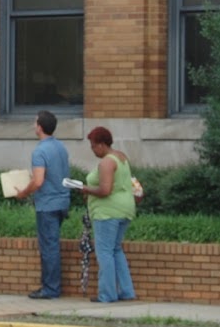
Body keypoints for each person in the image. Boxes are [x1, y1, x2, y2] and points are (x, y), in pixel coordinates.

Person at [76, 126, 137, 303]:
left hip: (107, 213)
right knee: (116, 250)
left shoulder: (106, 163)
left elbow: (105, 190)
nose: (93, 150)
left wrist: (85, 188)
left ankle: (107, 294)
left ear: (102, 145)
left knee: (104, 252)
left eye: (93, 146)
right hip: (125, 209)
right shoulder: (122, 157)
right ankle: (127, 291)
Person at [14, 110, 70, 300]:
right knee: (51, 245)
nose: (33, 125)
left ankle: (50, 288)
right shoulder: (61, 147)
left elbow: (38, 182)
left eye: (35, 122)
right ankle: (51, 287)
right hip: (62, 201)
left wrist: (23, 192)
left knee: (49, 248)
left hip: (47, 204)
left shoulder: (40, 151)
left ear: (39, 127)